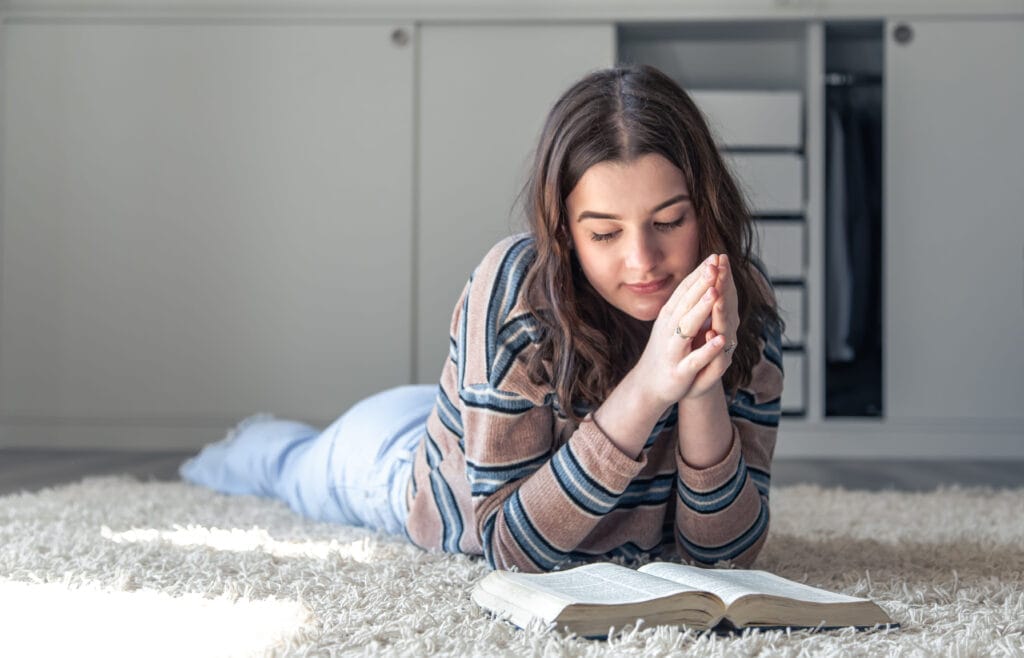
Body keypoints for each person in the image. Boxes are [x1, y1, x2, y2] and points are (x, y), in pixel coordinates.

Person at [180, 63, 784, 574]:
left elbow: (723, 558)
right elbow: (510, 547)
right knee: (284, 465)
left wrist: (702, 385)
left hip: (486, 411)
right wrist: (651, 386)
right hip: (407, 462)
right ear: (565, 233)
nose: (643, 261)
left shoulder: (741, 301)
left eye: (670, 222)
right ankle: (238, 442)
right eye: (604, 232)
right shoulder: (517, 288)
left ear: (705, 209)